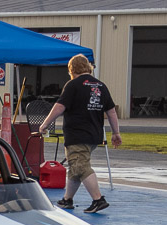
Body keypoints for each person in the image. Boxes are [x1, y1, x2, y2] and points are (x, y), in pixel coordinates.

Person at [35, 54, 121, 213]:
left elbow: (60, 107)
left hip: (77, 135)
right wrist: (116, 133)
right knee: (75, 166)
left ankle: (98, 199)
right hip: (94, 135)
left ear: (71, 70)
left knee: (81, 166)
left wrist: (45, 124)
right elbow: (111, 111)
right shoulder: (101, 86)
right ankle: (67, 199)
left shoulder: (73, 85)